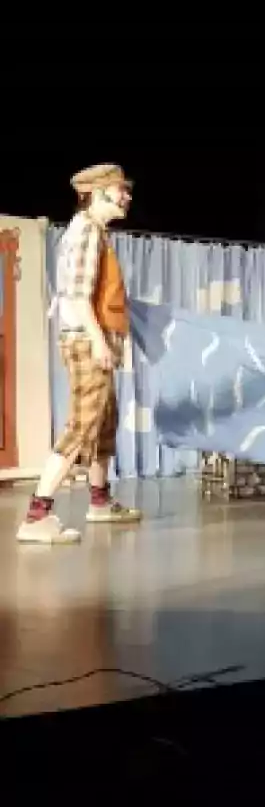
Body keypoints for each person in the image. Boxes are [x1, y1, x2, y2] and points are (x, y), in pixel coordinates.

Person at [17, 164, 142, 544]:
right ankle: (37, 515)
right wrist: (99, 341)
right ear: (98, 193)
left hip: (94, 339)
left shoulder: (96, 232)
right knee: (82, 425)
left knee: (104, 422)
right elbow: (76, 294)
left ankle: (99, 502)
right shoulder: (85, 230)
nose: (127, 196)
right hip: (88, 341)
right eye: (120, 190)